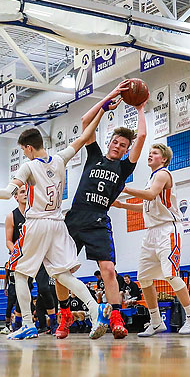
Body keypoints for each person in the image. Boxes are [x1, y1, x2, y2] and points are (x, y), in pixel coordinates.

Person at [0, 111, 106, 341]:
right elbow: (85, 136)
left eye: (24, 149)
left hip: (37, 224)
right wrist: (103, 109)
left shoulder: (28, 167)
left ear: (28, 148)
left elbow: (7, 193)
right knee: (63, 275)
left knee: (20, 273)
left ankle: (27, 324)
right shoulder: (60, 158)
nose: (24, 153)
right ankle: (96, 311)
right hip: (58, 223)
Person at [66, 82, 146, 339]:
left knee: (109, 269)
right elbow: (84, 120)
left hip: (99, 220)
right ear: (110, 141)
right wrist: (108, 99)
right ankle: (64, 316)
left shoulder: (124, 168)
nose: (118, 147)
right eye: (116, 142)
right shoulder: (94, 155)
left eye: (123, 145)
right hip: (75, 217)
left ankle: (115, 317)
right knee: (62, 272)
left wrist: (140, 107)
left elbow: (141, 137)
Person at [120, 143, 190, 336]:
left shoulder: (163, 174)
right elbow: (147, 205)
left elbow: (150, 195)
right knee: (144, 278)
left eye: (154, 153)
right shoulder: (152, 179)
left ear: (163, 158)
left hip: (168, 229)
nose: (150, 155)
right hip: (151, 232)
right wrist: (121, 206)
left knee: (171, 274)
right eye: (149, 153)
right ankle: (156, 321)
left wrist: (124, 188)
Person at [5, 185, 55, 333]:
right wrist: (16, 251)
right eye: (21, 192)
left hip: (39, 256)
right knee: (24, 289)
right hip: (22, 258)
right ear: (16, 197)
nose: (25, 194)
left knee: (45, 288)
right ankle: (19, 323)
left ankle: (53, 322)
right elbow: (8, 241)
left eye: (27, 192)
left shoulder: (37, 212)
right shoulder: (11, 216)